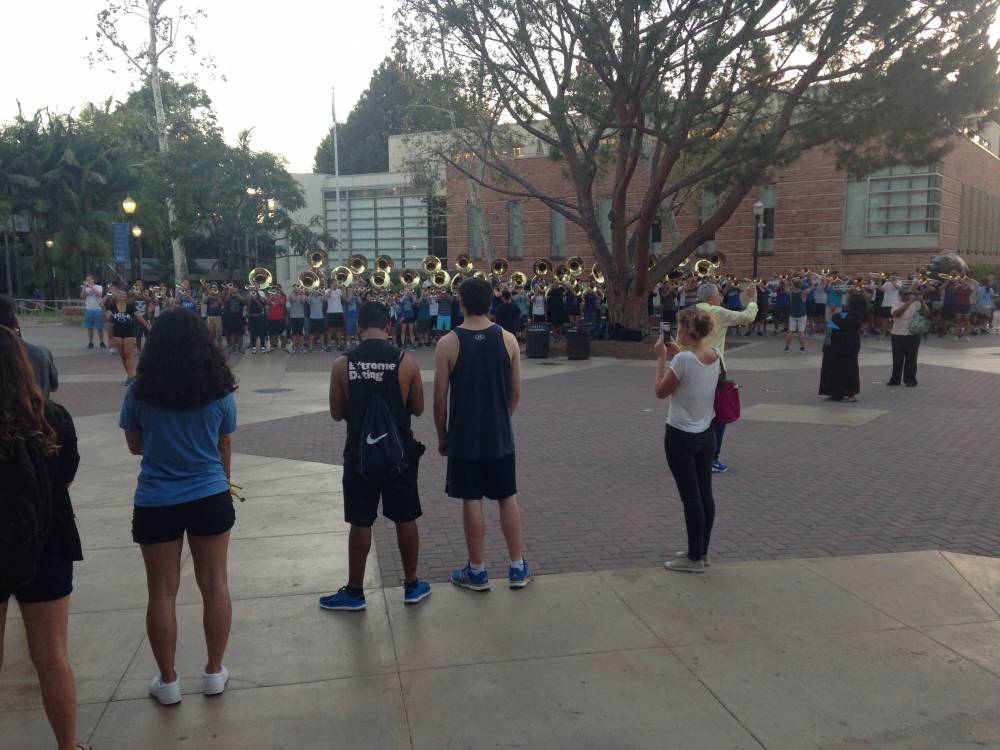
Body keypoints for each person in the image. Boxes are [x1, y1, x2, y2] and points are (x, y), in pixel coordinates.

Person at [119, 308, 238, 706]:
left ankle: (168, 680)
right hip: (209, 493)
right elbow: (224, 445)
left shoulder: (138, 389)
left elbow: (135, 445)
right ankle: (213, 672)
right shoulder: (220, 388)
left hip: (156, 498)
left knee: (162, 592)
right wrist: (220, 479)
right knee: (215, 585)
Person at [0, 327, 89, 750]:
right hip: (47, 539)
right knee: (52, 656)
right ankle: (67, 746)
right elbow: (67, 475)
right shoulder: (54, 418)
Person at [320, 302, 431, 611]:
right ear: (389, 327)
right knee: (405, 517)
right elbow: (419, 408)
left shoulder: (343, 364)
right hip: (399, 454)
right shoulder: (405, 361)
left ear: (358, 329)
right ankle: (411, 585)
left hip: (360, 456)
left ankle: (355, 592)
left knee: (360, 521)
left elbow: (336, 412)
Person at [433, 278, 531, 590]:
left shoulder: (448, 343)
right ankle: (517, 567)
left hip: (464, 437)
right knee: (507, 496)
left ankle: (477, 571)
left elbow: (439, 398)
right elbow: (516, 393)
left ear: (460, 302)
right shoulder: (508, 339)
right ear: (490, 302)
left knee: (471, 499)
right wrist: (501, 419)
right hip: (499, 435)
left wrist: (443, 436)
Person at [653, 307, 720, 574]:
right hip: (706, 433)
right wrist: (676, 353)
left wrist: (661, 359)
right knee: (704, 493)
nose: (677, 332)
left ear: (687, 330)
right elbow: (695, 373)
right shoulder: (714, 355)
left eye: (680, 327)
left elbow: (660, 391)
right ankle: (701, 551)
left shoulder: (682, 361)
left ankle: (693, 558)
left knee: (690, 497)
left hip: (681, 434)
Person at [694, 282, 757, 473]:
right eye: (718, 294)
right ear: (710, 297)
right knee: (718, 415)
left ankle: (695, 455)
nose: (720, 297)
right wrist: (753, 299)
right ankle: (712, 458)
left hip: (692, 365)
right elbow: (747, 317)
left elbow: (682, 342)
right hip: (713, 367)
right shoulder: (717, 312)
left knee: (697, 414)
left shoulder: (690, 312)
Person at [0, 295, 59, 398]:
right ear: (16, 323)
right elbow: (53, 386)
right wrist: (20, 340)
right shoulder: (42, 353)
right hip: (37, 412)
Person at [818, 292, 867, 402]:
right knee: (843, 368)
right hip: (845, 345)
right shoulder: (855, 315)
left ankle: (844, 392)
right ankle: (842, 392)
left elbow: (833, 324)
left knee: (842, 368)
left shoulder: (851, 315)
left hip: (842, 344)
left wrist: (835, 317)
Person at [104, 287, 150, 385]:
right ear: (117, 295)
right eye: (120, 294)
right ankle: (130, 375)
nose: (122, 295)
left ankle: (131, 376)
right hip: (117, 333)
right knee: (123, 356)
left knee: (128, 354)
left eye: (124, 294)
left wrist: (148, 326)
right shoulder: (112, 306)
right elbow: (107, 318)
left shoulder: (130, 306)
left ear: (126, 297)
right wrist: (103, 309)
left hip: (129, 333)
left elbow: (139, 317)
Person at [887, 287, 927, 388]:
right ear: (901, 295)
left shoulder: (916, 303)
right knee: (897, 360)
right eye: (906, 294)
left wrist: (922, 301)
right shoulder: (896, 303)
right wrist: (910, 302)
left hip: (912, 335)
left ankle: (910, 380)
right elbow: (896, 314)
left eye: (910, 293)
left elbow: (927, 313)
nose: (909, 295)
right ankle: (895, 379)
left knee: (911, 359)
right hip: (897, 335)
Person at [79, 275, 107, 350]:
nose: (88, 281)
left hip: (98, 308)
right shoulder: (85, 288)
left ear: (93, 280)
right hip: (89, 309)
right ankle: (90, 342)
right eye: (87, 280)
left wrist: (91, 287)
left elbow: (99, 295)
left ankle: (101, 342)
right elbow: (82, 296)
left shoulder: (98, 287)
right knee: (89, 327)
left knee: (100, 327)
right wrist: (84, 287)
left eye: (90, 280)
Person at [783, 278, 809, 353]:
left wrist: (788, 281)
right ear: (800, 285)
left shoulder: (790, 292)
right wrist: (809, 277)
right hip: (802, 314)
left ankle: (786, 348)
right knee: (801, 332)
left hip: (793, 314)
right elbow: (812, 286)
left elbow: (785, 287)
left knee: (791, 331)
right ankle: (802, 349)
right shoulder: (803, 293)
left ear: (793, 285)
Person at [325, 280, 346, 351]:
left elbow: (344, 298)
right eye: (334, 283)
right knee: (329, 330)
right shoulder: (327, 290)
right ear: (331, 284)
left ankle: (339, 345)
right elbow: (327, 297)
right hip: (330, 312)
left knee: (339, 329)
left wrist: (343, 289)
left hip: (339, 311)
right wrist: (331, 288)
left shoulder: (339, 290)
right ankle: (329, 345)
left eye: (336, 283)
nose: (336, 284)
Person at [246, 286, 268, 354]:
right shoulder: (249, 296)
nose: (253, 291)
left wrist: (256, 300)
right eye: (252, 290)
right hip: (252, 317)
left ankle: (263, 346)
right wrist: (250, 298)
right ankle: (254, 347)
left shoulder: (260, 296)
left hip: (259, 316)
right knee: (253, 333)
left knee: (261, 332)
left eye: (254, 290)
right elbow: (248, 306)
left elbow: (261, 306)